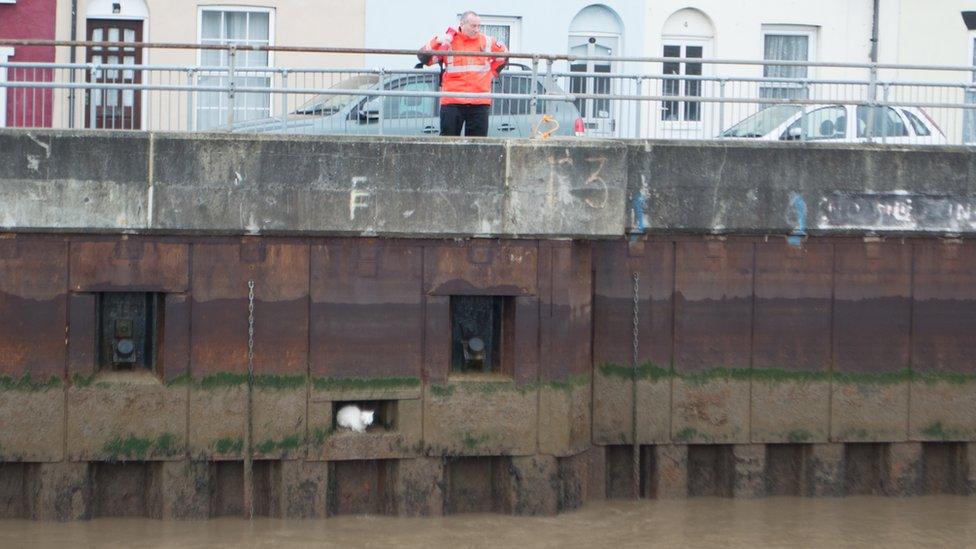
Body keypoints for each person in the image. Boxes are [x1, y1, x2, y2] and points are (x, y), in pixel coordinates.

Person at [418, 11, 508, 137]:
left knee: (477, 147)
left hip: (479, 102)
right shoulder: (448, 41)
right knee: (448, 145)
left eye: (478, 26)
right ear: (462, 24)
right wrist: (437, 41)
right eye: (473, 26)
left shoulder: (487, 41)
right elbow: (424, 58)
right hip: (452, 101)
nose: (477, 29)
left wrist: (491, 74)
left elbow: (504, 57)